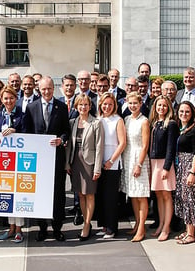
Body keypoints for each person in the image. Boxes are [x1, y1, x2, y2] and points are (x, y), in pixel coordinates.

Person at [23, 76, 70, 242]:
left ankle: (57, 228)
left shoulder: (62, 107)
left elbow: (67, 131)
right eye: (43, 89)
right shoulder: (31, 107)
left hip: (56, 159)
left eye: (49, 88)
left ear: (53, 88)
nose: (47, 92)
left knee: (58, 195)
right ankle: (42, 228)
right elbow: (27, 131)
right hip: (38, 161)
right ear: (39, 89)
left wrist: (61, 140)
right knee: (40, 194)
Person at [66, 94, 104, 241]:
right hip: (75, 160)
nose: (83, 107)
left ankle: (87, 224)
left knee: (89, 194)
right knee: (80, 194)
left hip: (89, 162)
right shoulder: (72, 122)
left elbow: (99, 147)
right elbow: (69, 145)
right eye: (80, 105)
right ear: (76, 106)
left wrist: (97, 168)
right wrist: (67, 163)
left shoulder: (96, 123)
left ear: (90, 106)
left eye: (86, 104)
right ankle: (85, 220)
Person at [0, 86, 26, 243]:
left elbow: (29, 134)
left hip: (19, 162)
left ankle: (19, 229)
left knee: (18, 195)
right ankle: (11, 227)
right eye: (5, 98)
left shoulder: (23, 115)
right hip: (3, 162)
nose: (8, 101)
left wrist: (15, 132)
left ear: (16, 98)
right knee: (7, 194)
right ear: (2, 100)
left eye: (11, 98)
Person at [173, 101, 195, 245]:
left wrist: (192, 172)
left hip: (190, 167)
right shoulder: (182, 128)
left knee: (190, 199)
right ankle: (187, 230)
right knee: (183, 198)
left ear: (192, 113)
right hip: (181, 166)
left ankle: (191, 234)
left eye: (187, 111)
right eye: (181, 111)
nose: (184, 114)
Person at [120, 92, 151, 242]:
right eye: (130, 103)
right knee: (132, 194)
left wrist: (139, 164)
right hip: (128, 158)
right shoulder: (126, 119)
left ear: (141, 104)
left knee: (141, 194)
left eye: (135, 103)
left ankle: (141, 228)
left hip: (139, 158)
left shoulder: (144, 121)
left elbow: (145, 146)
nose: (133, 106)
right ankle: (137, 223)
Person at [95, 92, 126, 239]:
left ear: (114, 105)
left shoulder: (118, 120)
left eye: (110, 104)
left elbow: (122, 143)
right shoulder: (98, 119)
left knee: (111, 198)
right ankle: (104, 225)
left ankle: (112, 228)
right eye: (104, 104)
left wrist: (111, 161)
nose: (107, 107)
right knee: (101, 196)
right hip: (99, 163)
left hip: (112, 164)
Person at [148, 95, 178, 242]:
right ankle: (161, 224)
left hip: (164, 164)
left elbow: (171, 147)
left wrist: (166, 167)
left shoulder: (171, 124)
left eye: (164, 106)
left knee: (166, 196)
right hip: (154, 163)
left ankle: (167, 227)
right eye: (159, 105)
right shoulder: (154, 123)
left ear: (169, 108)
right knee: (158, 195)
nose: (161, 108)